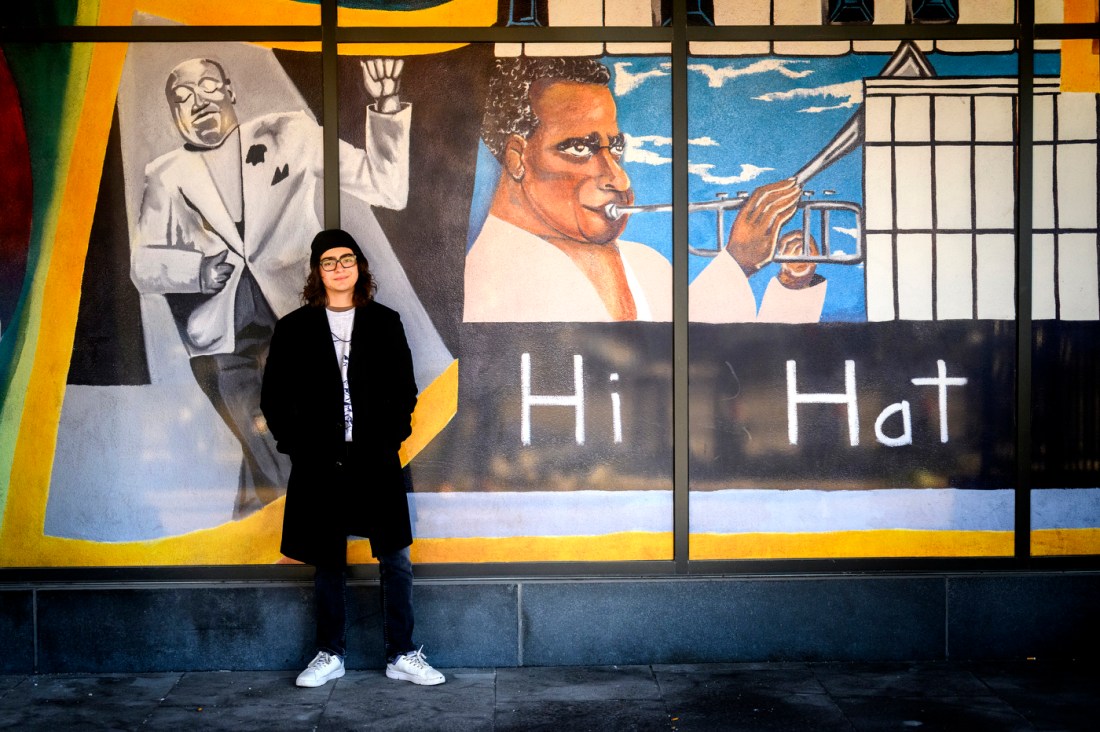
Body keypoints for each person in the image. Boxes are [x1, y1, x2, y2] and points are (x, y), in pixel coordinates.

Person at [130, 57, 411, 519]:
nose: (198, 101)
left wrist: (385, 105)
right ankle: (308, 540)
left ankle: (265, 552)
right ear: (174, 115)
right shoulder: (164, 175)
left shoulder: (288, 134)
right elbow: (143, 265)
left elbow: (387, 188)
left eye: (207, 87)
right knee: (268, 445)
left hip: (298, 326)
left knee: (279, 452)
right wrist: (198, 270)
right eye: (183, 98)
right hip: (222, 343)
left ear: (230, 91)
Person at [464, 56, 826, 323]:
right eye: (579, 148)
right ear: (516, 158)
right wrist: (738, 263)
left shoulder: (647, 265)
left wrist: (792, 290)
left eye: (615, 148)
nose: (619, 179)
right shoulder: (486, 282)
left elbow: (726, 375)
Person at [260, 228, 445, 688]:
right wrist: (298, 447)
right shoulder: (294, 328)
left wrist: (390, 439)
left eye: (347, 259)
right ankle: (330, 654)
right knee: (328, 558)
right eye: (328, 261)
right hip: (318, 461)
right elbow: (274, 399)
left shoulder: (385, 321)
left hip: (375, 456)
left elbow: (405, 389)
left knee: (395, 556)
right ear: (316, 272)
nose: (339, 268)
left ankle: (402, 654)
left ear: (360, 266)